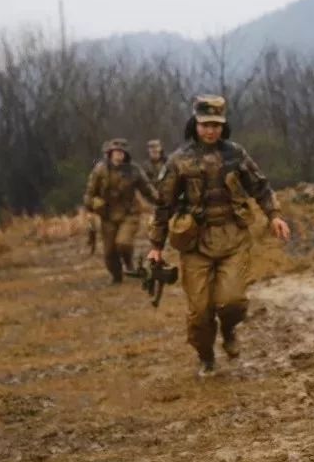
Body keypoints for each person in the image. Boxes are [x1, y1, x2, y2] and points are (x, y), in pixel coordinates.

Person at [147, 95, 291, 376]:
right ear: (195, 124)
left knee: (232, 301)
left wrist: (274, 215)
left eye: (216, 124)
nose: (211, 130)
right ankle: (206, 355)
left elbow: (259, 186)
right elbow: (163, 204)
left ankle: (228, 330)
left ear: (223, 125)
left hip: (233, 239)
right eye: (205, 124)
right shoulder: (179, 160)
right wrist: (156, 245)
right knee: (199, 312)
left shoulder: (235, 154)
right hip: (194, 243)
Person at [84, 138, 159, 283]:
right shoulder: (100, 170)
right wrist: (92, 205)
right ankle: (117, 276)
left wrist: (161, 203)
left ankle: (129, 264)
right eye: (116, 152)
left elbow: (148, 190)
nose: (119, 155)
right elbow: (89, 193)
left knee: (123, 243)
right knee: (109, 253)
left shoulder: (134, 170)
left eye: (122, 152)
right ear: (110, 153)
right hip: (107, 215)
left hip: (129, 214)